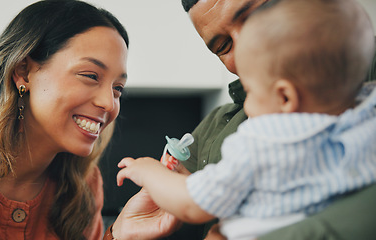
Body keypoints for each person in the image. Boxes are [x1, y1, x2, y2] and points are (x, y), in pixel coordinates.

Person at [116, 0, 376, 239]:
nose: (244, 49)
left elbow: (191, 202)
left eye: (255, 17)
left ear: (285, 96)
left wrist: (148, 171)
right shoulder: (362, 122)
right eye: (223, 47)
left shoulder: (258, 142)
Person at [0, 0, 130, 239]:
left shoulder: (84, 187)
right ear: (23, 72)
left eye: (118, 88)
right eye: (90, 75)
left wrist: (123, 234)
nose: (109, 103)